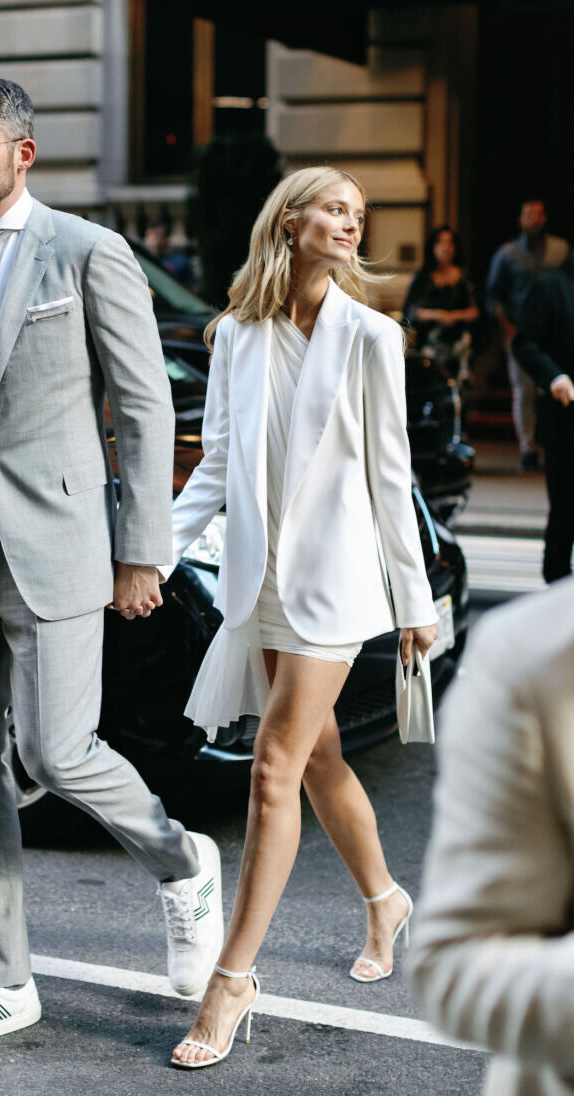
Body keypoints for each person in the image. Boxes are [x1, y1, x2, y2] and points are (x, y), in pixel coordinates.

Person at [0, 76, 223, 1065]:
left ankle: (184, 862)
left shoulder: (88, 253)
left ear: (23, 152)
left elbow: (144, 407)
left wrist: (143, 549)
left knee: (62, 752)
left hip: (61, 548)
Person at [161, 166, 438, 1069]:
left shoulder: (371, 337)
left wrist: (412, 600)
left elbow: (391, 478)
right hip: (260, 580)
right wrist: (157, 550)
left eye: (360, 214)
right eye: (334, 208)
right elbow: (218, 461)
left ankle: (233, 978)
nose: (351, 222)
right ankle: (387, 899)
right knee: (317, 757)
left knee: (273, 770)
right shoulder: (236, 335)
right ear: (290, 220)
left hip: (333, 589)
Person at [410, 578, 574, 1096]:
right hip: (287, 590)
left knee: (286, 766)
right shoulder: (535, 656)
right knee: (281, 767)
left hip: (343, 602)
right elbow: (452, 962)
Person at [486, 200, 570, 471]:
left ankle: (554, 445)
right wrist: (509, 329)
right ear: (520, 220)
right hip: (522, 331)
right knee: (524, 391)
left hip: (557, 335)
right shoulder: (508, 254)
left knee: (555, 385)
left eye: (539, 214)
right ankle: (528, 448)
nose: (534, 219)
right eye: (528, 215)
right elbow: (494, 295)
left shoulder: (561, 250)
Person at [513, 259, 574, 582]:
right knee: (565, 513)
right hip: (566, 421)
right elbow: (524, 342)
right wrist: (555, 377)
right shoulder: (551, 286)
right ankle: (557, 591)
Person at [403, 225, 479, 386]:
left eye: (450, 243)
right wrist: (439, 315)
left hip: (459, 344)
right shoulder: (423, 278)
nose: (446, 248)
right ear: (433, 247)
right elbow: (411, 311)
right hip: (430, 343)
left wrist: (453, 316)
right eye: (441, 243)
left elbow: (475, 311)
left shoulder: (463, 277)